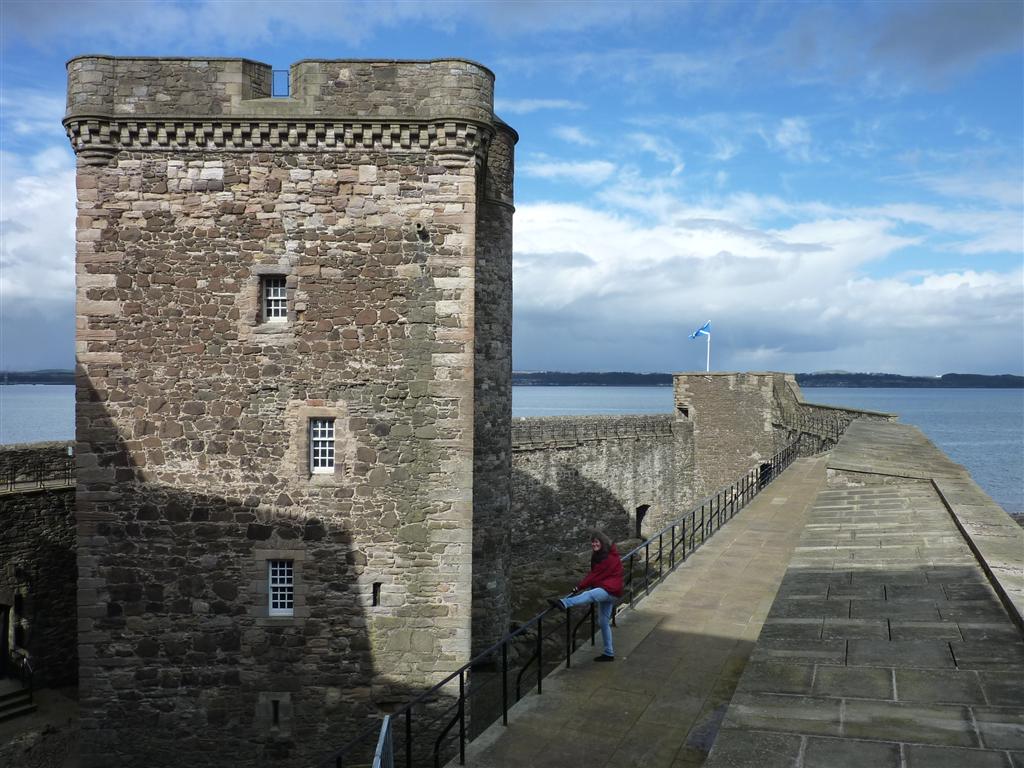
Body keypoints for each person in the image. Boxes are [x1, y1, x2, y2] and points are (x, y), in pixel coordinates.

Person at [548, 529, 623, 662]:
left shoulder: (609, 557)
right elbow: (595, 574)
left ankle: (564, 603)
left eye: (596, 542)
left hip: (610, 591)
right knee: (603, 622)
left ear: (602, 542)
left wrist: (580, 587)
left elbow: (594, 575)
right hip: (608, 590)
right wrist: (580, 586)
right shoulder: (600, 555)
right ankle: (609, 653)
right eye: (592, 543)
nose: (594, 545)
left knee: (589, 595)